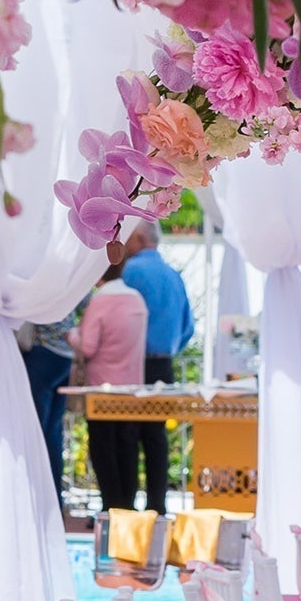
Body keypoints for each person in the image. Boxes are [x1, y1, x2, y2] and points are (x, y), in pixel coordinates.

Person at [120, 218, 193, 513]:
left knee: (127, 437)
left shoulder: (130, 271)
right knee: (156, 439)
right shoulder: (174, 275)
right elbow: (188, 328)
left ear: (138, 238)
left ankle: (124, 509)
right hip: (165, 366)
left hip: (134, 365)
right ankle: (157, 506)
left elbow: (120, 321)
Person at [71, 259, 148, 512]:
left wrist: (71, 335)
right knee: (127, 448)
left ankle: (111, 507)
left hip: (101, 390)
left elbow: (89, 346)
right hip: (132, 388)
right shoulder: (137, 300)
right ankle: (128, 506)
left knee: (104, 450)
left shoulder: (100, 302)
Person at [24, 308, 77, 504]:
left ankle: (37, 500)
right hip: (65, 355)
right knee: (53, 433)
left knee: (35, 432)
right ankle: (53, 500)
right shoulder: (71, 276)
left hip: (41, 351)